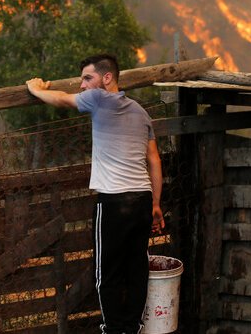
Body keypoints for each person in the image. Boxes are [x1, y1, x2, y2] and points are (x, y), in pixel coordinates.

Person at [26, 54, 164, 334]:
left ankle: (113, 330)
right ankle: (133, 328)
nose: (82, 85)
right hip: (142, 200)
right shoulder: (141, 111)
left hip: (114, 202)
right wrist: (157, 204)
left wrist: (35, 88)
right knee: (136, 268)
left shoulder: (99, 99)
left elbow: (62, 99)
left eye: (87, 78)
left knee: (106, 274)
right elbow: (155, 160)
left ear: (107, 78)